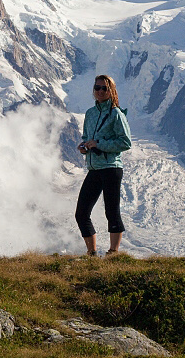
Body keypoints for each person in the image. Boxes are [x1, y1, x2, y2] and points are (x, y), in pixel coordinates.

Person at [75, 75, 132, 256]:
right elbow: (86, 137)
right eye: (97, 88)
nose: (100, 91)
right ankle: (91, 253)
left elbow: (125, 142)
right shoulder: (90, 114)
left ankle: (113, 253)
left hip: (111, 168)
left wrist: (99, 144)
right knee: (81, 213)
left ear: (111, 91)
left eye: (104, 88)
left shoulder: (116, 114)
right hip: (94, 168)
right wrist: (84, 147)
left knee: (111, 212)